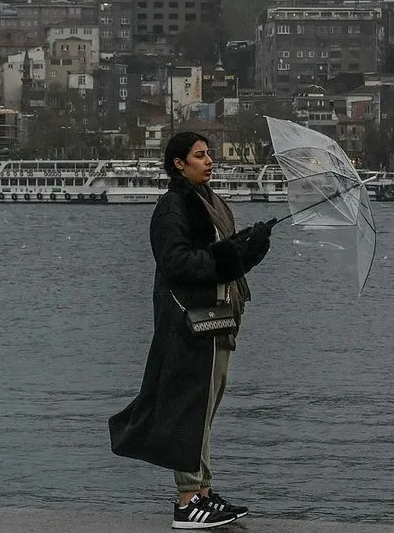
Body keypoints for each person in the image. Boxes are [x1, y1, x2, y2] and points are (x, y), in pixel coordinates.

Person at [109, 131, 274, 530]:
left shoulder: (210, 202)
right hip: (190, 323)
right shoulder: (173, 207)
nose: (209, 161)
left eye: (210, 154)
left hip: (217, 320)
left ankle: (202, 492)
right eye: (200, 155)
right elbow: (178, 262)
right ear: (178, 163)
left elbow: (223, 259)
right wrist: (228, 255)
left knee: (205, 411)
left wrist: (249, 246)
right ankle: (187, 501)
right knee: (190, 409)